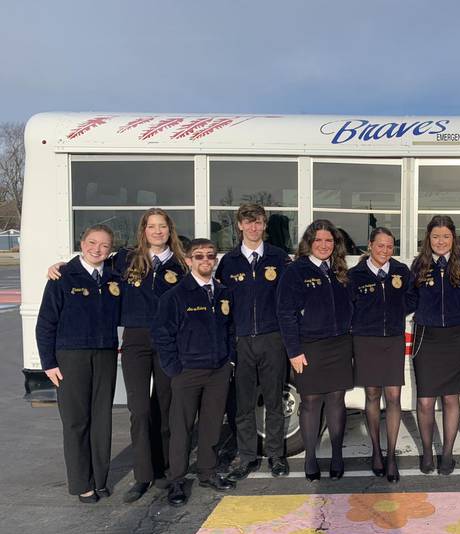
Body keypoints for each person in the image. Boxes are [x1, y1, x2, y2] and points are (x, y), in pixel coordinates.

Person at [46, 208, 189, 503]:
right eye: (152, 226)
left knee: (164, 406)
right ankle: (143, 475)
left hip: (168, 340)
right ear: (144, 230)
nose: (157, 231)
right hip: (136, 340)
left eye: (163, 226)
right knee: (139, 410)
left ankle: (161, 470)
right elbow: (90, 262)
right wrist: (62, 266)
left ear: (169, 230)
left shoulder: (181, 263)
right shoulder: (124, 260)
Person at [36, 224, 122, 503]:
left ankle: (99, 479)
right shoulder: (62, 277)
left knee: (101, 420)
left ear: (111, 250)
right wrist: (48, 363)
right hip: (71, 357)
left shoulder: (113, 277)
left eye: (105, 245)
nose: (97, 249)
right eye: (92, 243)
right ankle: (81, 483)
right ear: (82, 243)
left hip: (105, 355)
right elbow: (45, 323)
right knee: (76, 422)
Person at [152, 238, 237, 506]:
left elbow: (231, 329)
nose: (205, 261)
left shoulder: (223, 293)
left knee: (212, 426)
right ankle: (177, 480)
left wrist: (229, 361)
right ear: (189, 261)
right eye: (199, 256)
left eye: (210, 256)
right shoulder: (175, 296)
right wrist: (174, 369)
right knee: (182, 428)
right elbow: (162, 335)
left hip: (218, 371)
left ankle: (207, 472)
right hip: (187, 372)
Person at [216, 204, 291, 481]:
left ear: (264, 225)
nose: (253, 228)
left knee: (274, 401)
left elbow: (287, 301)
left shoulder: (279, 258)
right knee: (243, 404)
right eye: (248, 223)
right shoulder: (229, 262)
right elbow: (223, 304)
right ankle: (247, 456)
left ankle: (275, 455)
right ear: (239, 225)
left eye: (258, 223)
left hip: (272, 339)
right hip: (242, 340)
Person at [276, 220, 353, 481]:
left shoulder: (340, 270)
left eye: (329, 241)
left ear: (336, 244)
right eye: (318, 240)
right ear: (309, 242)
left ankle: (337, 455)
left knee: (336, 401)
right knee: (310, 402)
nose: (323, 245)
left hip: (340, 345)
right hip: (309, 346)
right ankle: (310, 458)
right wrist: (294, 351)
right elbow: (285, 313)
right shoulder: (296, 271)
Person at [408, 215, 460, 475]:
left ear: (453, 238)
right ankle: (427, 452)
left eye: (446, 236)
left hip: (457, 338)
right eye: (435, 236)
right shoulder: (419, 264)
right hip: (427, 337)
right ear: (428, 239)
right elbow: (408, 299)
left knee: (450, 398)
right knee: (425, 401)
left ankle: (447, 453)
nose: (441, 241)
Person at [348, 227, 411, 483]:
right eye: (380, 245)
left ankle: (392, 455)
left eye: (390, 246)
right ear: (370, 245)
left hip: (393, 339)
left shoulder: (401, 271)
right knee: (372, 394)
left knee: (393, 396)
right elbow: (349, 306)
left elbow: (413, 297)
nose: (385, 250)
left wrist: (396, 312)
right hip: (366, 340)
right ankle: (376, 450)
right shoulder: (356, 275)